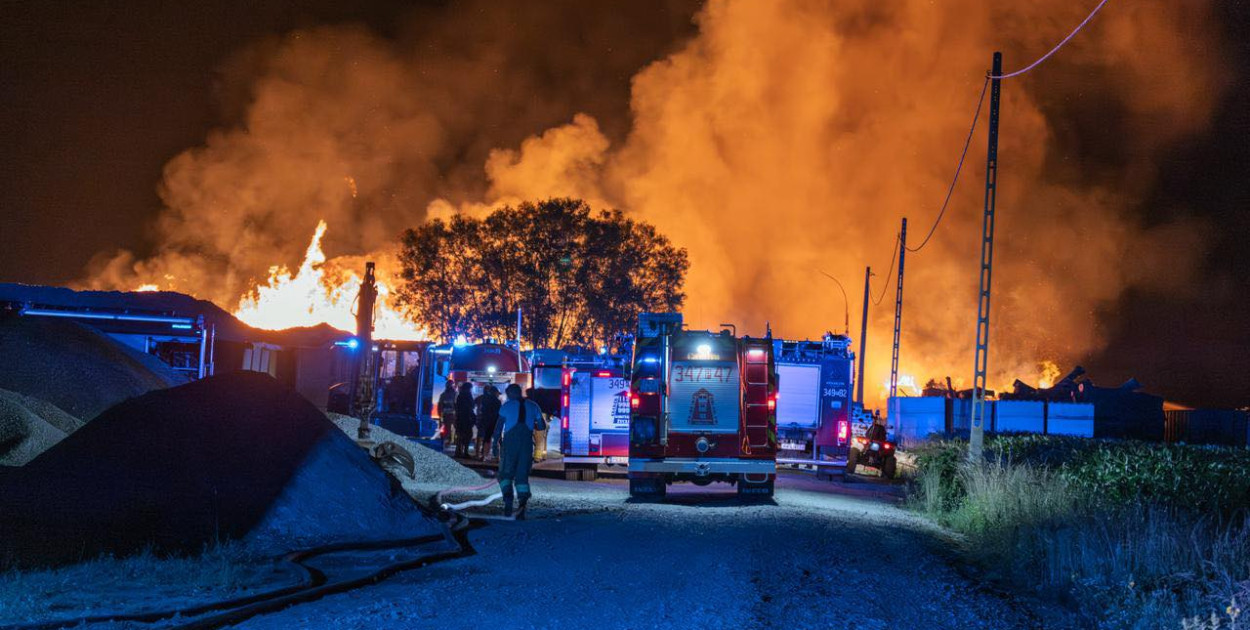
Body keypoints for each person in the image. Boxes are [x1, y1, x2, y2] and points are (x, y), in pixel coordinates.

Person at [494, 384, 546, 519]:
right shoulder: (533, 405)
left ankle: (508, 499)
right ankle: (522, 505)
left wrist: (495, 444)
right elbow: (541, 426)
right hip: (526, 445)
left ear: (511, 394)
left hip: (510, 445)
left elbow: (498, 428)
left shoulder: (506, 406)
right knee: (522, 476)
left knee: (505, 474)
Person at [475, 384, 502, 461]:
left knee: (486, 439)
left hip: (485, 421)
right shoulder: (497, 401)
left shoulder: (484, 400)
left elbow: (480, 408)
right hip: (495, 422)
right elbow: (499, 412)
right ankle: (497, 457)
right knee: (497, 439)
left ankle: (484, 456)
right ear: (495, 393)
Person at [526, 387, 549, 463]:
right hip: (542, 420)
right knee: (541, 440)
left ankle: (533, 456)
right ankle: (538, 457)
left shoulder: (527, 401)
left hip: (529, 422)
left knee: (530, 440)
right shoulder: (545, 400)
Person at [454, 382, 476, 459]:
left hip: (460, 418)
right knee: (468, 435)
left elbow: (456, 407)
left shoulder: (459, 395)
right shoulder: (468, 395)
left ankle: (458, 451)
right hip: (467, 418)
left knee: (460, 435)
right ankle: (465, 452)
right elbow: (472, 405)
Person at [437, 380, 457, 447]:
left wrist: (440, 414)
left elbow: (440, 405)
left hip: (448, 414)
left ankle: (447, 440)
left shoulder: (443, 395)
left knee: (448, 428)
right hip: (450, 414)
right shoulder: (454, 394)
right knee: (448, 428)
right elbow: (440, 405)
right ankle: (447, 440)